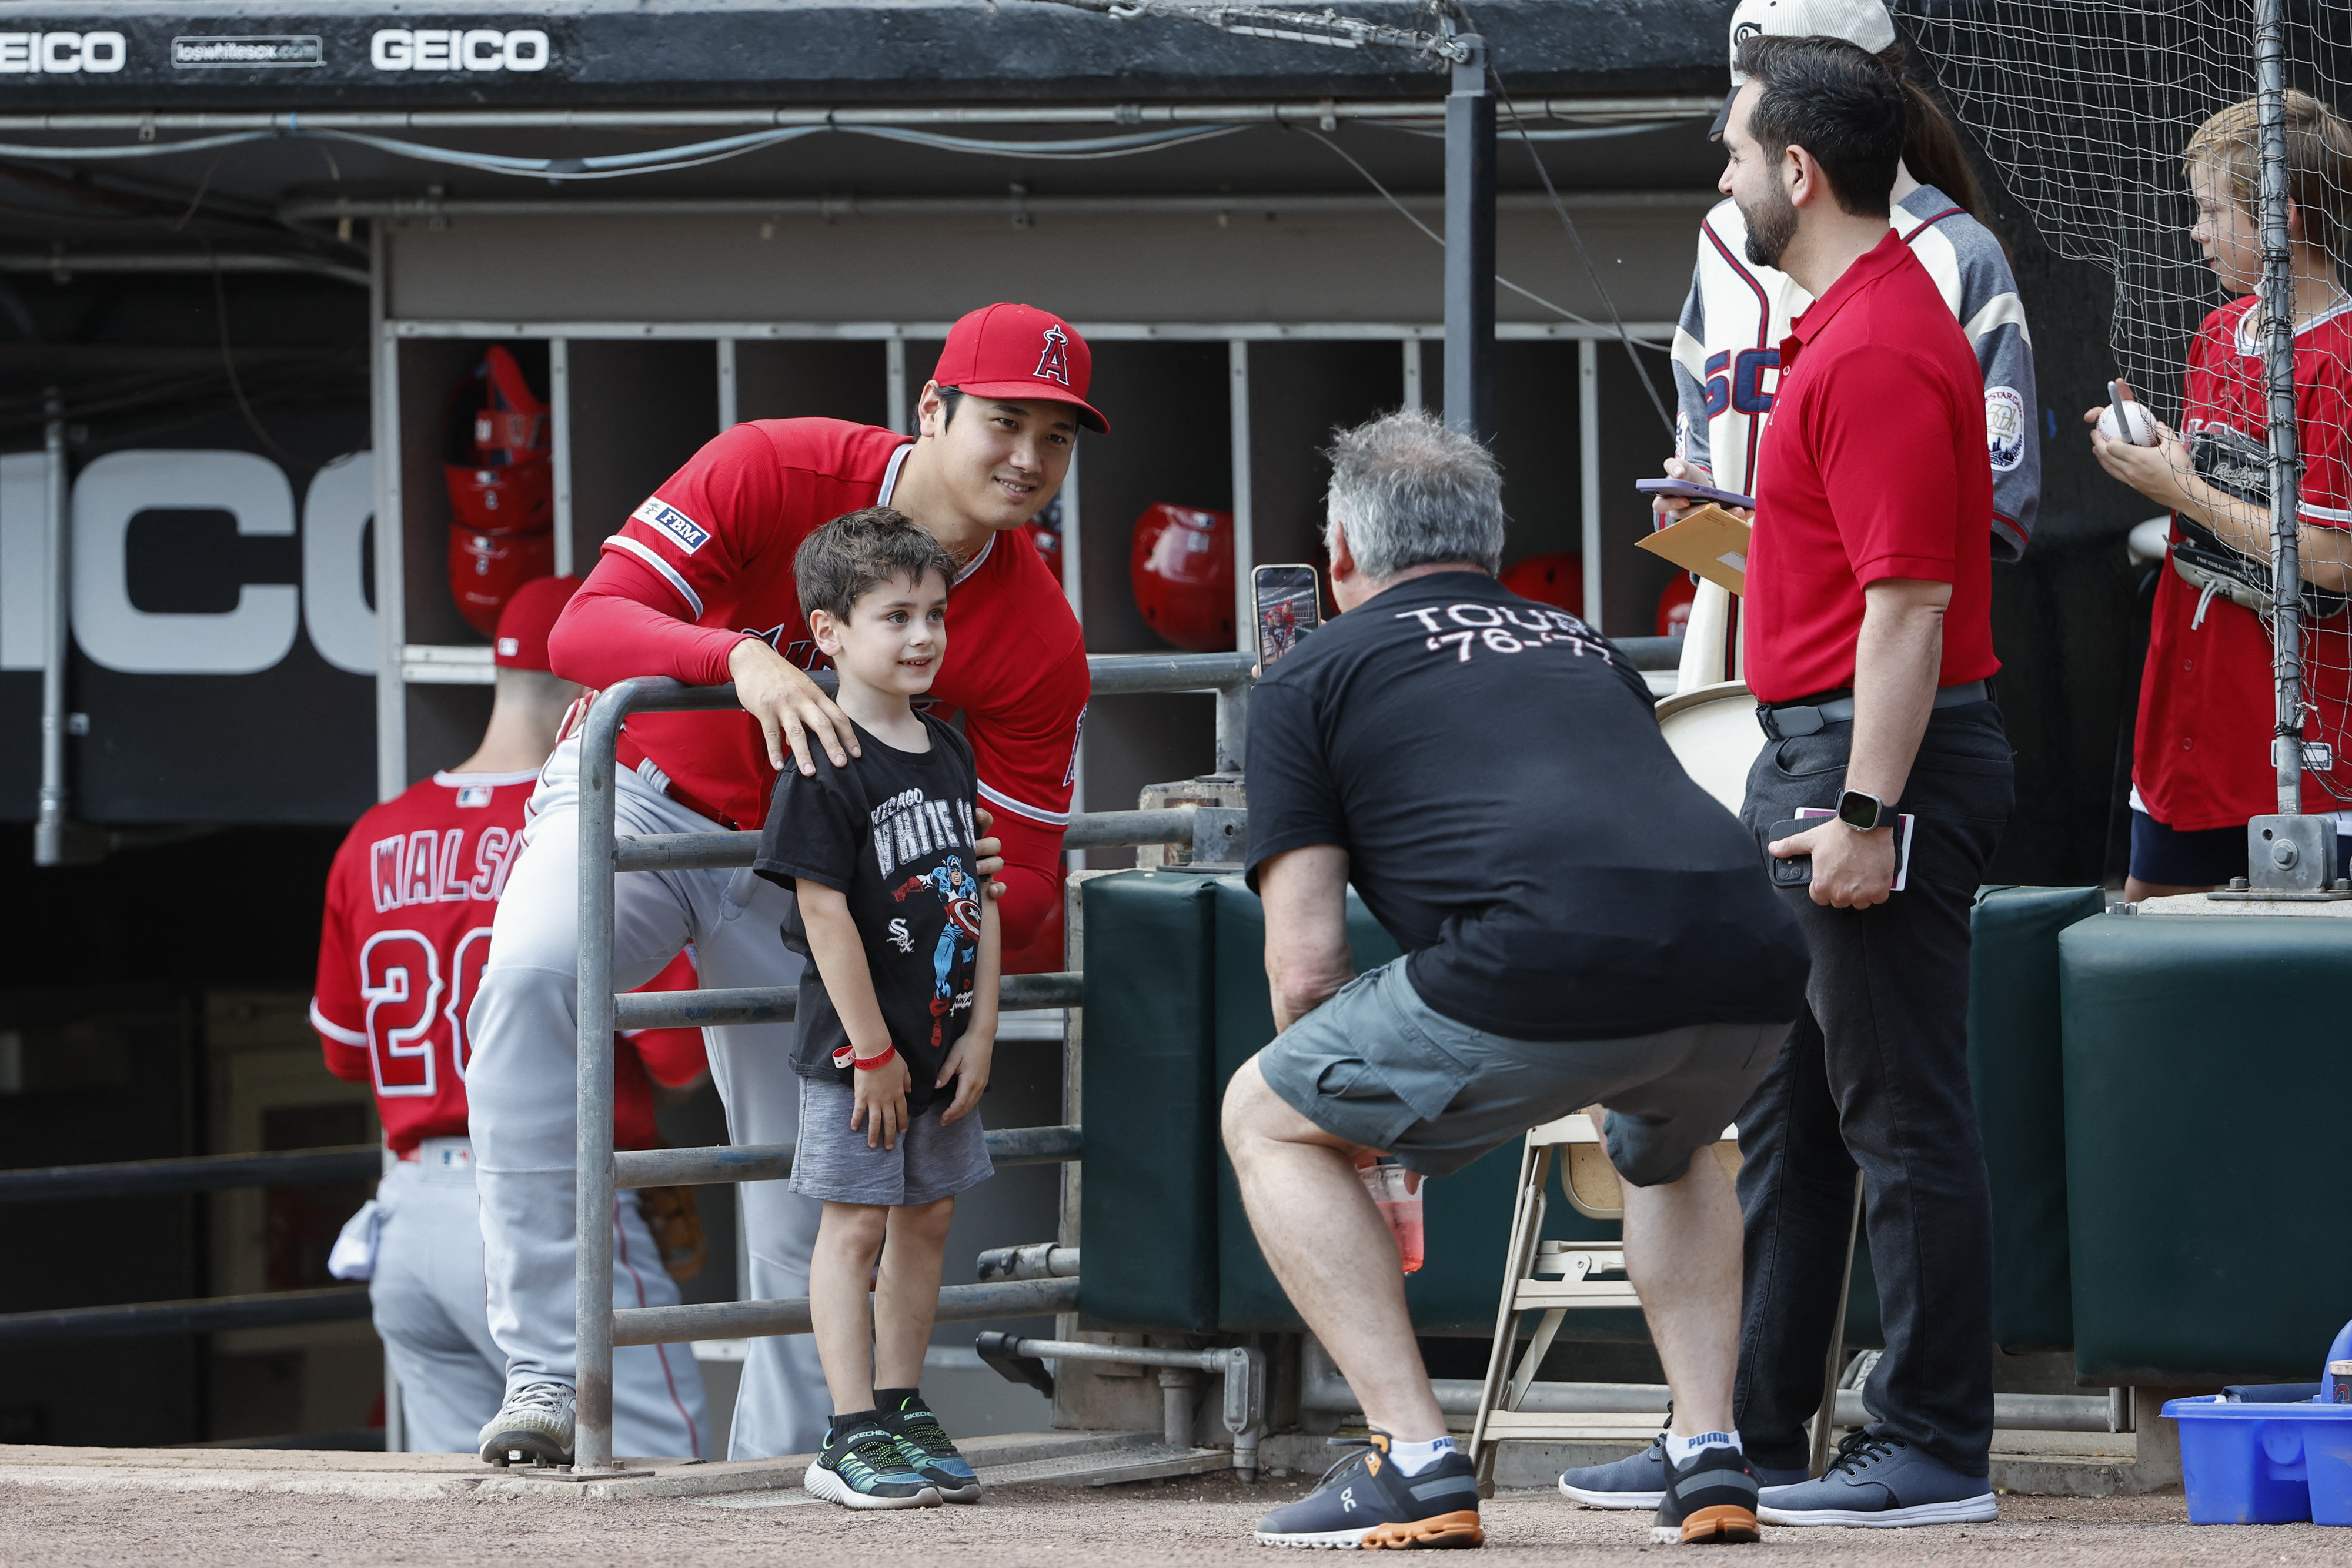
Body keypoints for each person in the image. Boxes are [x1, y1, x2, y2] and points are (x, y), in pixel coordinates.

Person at [465, 302, 1100, 1465]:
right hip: (649, 796)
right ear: (933, 410)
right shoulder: (778, 460)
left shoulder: (1035, 636)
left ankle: (796, 1459)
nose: (1027, 459)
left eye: (1056, 438)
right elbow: (584, 627)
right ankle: (548, 1372)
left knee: (818, 1183)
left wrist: (968, 879)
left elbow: (1030, 891)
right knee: (528, 982)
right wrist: (735, 655)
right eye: (1004, 421)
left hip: (822, 880)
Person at [1222, 410, 1811, 1550]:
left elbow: (1302, 961)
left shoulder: (1306, 674)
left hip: (1549, 954)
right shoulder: (1574, 638)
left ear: (1339, 555)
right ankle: (1707, 1451)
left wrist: (1346, 1120)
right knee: (1664, 1137)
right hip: (1751, 949)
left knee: (1261, 1112)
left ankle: (1413, 1457)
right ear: (1487, 548)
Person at [1706, 36, 2013, 1526]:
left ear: (1797, 171)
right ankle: (1753, 1436)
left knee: (1901, 1113)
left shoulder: (1885, 337)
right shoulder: (1852, 322)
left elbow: (1910, 608)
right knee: (1797, 1118)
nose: (1723, 171)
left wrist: (1868, 815)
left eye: (1734, 146)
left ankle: (1934, 1444)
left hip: (1874, 756)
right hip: (1826, 744)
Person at [310, 575, 711, 1459]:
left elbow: (347, 1057)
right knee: (657, 1483)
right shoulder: (592, 826)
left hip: (409, 1216)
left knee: (485, 1517)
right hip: (552, 1205)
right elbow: (683, 1055)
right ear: (589, 694)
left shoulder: (374, 835)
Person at [753, 510, 1000, 1509]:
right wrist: (869, 1050)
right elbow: (821, 909)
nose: (924, 635)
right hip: (860, 1056)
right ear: (830, 631)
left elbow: (977, 895)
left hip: (943, 1040)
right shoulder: (823, 757)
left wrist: (982, 1025)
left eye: (935, 612)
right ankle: (848, 1429)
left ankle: (899, 1405)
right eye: (895, 615)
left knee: (928, 1218)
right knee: (854, 1225)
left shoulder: (947, 746)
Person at [1656, 0, 2040, 569]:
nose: (1728, 177)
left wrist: (1804, 551)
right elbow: (1704, 448)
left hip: (1862, 635)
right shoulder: (1722, 235)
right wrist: (1694, 497)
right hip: (1731, 638)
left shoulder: (1955, 253)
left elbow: (1991, 503)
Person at [2089, 91, 2352, 900]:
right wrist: (2161, 457)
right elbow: (2212, 485)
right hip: (2188, 711)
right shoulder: (2218, 331)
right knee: (2152, 936)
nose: (2197, 232)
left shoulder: (2339, 358)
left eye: (2213, 210)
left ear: (2286, 217)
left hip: (2297, 734)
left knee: (2285, 978)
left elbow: (2333, 559)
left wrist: (2182, 490)